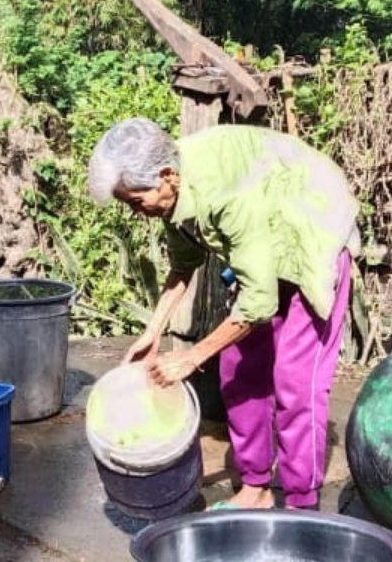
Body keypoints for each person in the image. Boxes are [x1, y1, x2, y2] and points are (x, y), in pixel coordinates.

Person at [87, 117, 359, 511]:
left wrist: (193, 356)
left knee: (295, 381)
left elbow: (259, 301)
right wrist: (153, 333)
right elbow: (184, 265)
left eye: (135, 201)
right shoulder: (174, 196)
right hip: (265, 241)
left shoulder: (225, 194)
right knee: (237, 366)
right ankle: (256, 487)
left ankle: (302, 504)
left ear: (166, 177)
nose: (135, 212)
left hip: (312, 229)